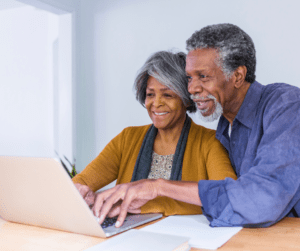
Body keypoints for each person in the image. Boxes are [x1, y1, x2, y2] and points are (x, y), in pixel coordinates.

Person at [93, 23, 300, 229]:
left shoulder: (286, 105)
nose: (191, 88)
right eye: (190, 77)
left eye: (203, 76)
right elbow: (231, 200)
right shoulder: (226, 127)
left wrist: (158, 187)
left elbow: (259, 200)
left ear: (237, 76)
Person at [72, 51, 237, 226]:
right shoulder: (127, 139)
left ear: (187, 99)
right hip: (128, 236)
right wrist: (83, 194)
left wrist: (151, 196)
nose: (156, 103)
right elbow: (82, 182)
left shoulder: (210, 142)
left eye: (167, 95)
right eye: (150, 94)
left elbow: (229, 196)